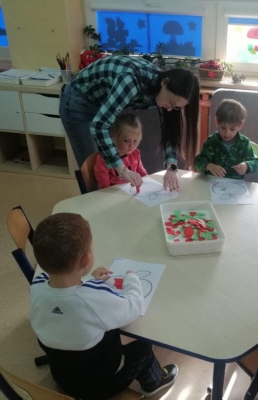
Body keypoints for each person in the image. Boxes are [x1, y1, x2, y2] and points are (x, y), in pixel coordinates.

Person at [29, 213, 178, 399]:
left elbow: (66, 298)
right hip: (102, 384)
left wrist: (89, 281)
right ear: (86, 260)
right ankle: (153, 382)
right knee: (142, 345)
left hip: (62, 375)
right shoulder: (95, 298)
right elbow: (133, 306)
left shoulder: (36, 287)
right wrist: (132, 278)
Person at [59, 55, 199, 191]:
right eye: (171, 102)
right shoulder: (131, 82)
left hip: (102, 101)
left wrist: (172, 167)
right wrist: (122, 170)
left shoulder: (165, 93)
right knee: (93, 169)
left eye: (175, 107)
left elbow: (169, 130)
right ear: (164, 83)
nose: (169, 109)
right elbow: (100, 125)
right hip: (79, 102)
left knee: (107, 157)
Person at [195, 99, 258, 179]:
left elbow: (255, 162)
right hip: (213, 182)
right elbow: (198, 162)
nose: (227, 133)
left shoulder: (244, 143)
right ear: (217, 122)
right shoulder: (211, 141)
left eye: (232, 129)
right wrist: (209, 166)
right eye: (223, 128)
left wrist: (246, 165)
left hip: (235, 184)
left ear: (240, 125)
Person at [94, 111, 147, 189]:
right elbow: (104, 186)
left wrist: (146, 182)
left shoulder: (136, 153)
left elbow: (143, 174)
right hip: (114, 193)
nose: (131, 146)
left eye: (135, 141)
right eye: (126, 140)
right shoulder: (103, 158)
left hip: (133, 191)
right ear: (113, 138)